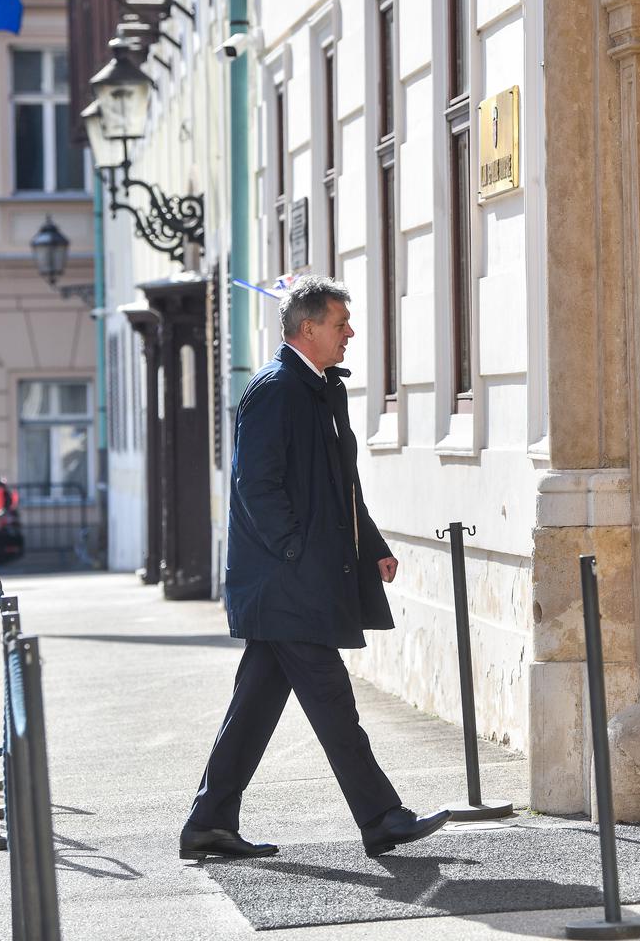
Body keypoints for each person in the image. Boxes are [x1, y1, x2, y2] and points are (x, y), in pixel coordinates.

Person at [181, 276, 450, 860]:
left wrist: (369, 543)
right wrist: (295, 553)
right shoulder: (275, 390)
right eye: (340, 323)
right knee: (332, 701)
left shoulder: (320, 389)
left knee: (253, 706)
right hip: (284, 580)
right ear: (308, 329)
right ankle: (381, 817)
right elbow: (257, 484)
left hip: (291, 579)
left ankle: (209, 822)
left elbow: (342, 487)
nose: (350, 333)